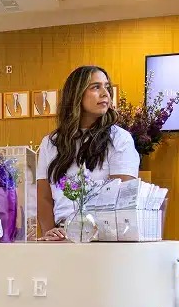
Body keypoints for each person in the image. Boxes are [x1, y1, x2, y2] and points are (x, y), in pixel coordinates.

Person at [36, 65, 140, 241]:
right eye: (95, 87)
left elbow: (122, 198)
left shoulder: (119, 139)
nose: (105, 93)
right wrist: (49, 233)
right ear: (76, 94)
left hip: (104, 238)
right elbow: (44, 197)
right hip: (61, 237)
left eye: (106, 87)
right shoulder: (50, 142)